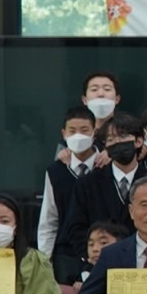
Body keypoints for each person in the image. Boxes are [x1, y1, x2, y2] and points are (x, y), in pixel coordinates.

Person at [57, 113, 145, 284]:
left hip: (141, 269)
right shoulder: (87, 184)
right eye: (111, 139)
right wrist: (93, 257)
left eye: (123, 136)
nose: (117, 142)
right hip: (96, 270)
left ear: (138, 141)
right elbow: (76, 227)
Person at [37, 105, 98, 259]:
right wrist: (45, 260)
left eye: (84, 130)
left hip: (102, 250)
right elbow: (49, 219)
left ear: (94, 133)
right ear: (64, 134)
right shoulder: (55, 171)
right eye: (72, 131)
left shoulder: (106, 167)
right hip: (65, 253)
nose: (78, 136)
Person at [73, 220, 127, 291]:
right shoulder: (85, 274)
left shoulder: (130, 270)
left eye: (103, 243)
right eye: (91, 244)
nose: (95, 249)